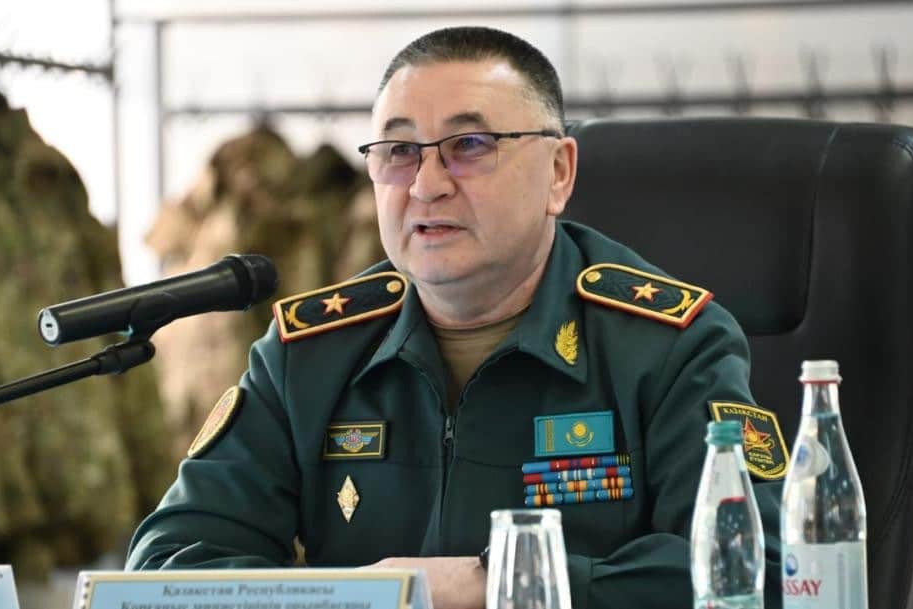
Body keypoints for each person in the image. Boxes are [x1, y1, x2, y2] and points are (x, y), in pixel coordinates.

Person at [127, 26, 785, 609]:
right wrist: (356, 597)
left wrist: (496, 584)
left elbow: (767, 568)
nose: (426, 184)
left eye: (469, 145)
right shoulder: (309, 353)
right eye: (398, 151)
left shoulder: (667, 346)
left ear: (559, 173)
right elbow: (165, 569)